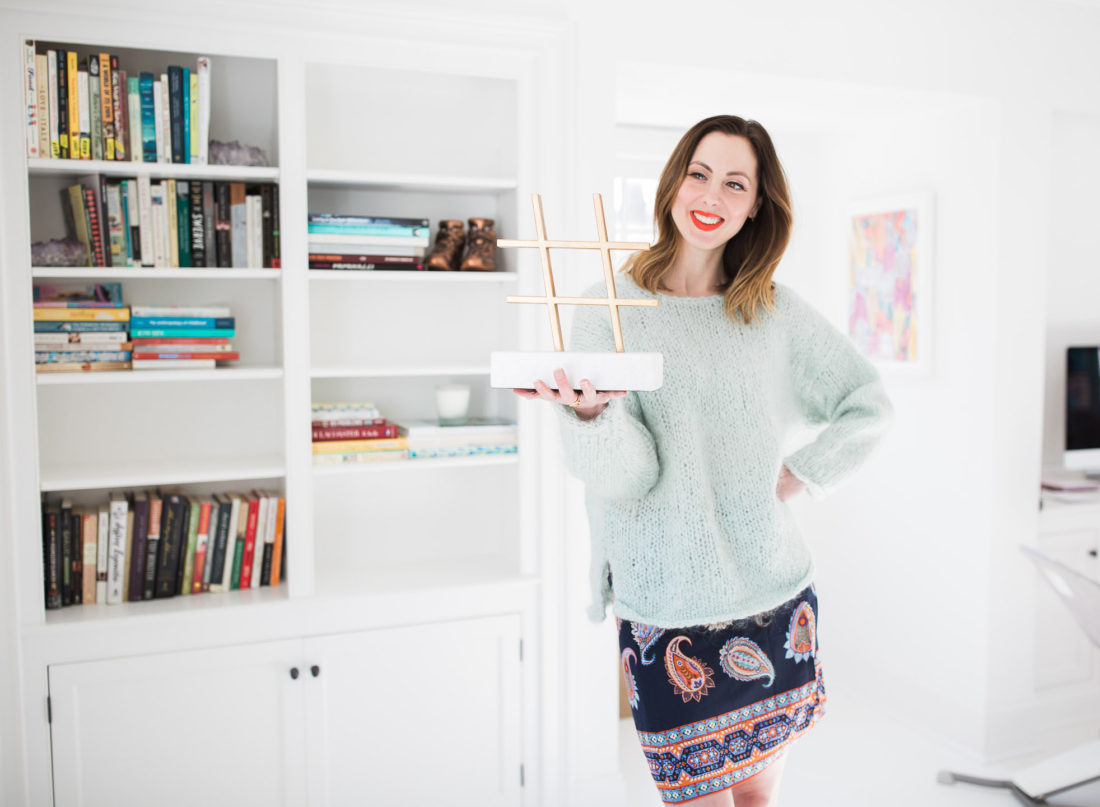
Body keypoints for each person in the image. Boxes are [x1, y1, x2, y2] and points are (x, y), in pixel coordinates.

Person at [514, 115, 893, 806]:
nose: (710, 194)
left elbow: (868, 401)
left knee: (756, 801)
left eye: (735, 182)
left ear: (755, 205)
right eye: (699, 172)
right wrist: (593, 414)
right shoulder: (610, 309)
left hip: (773, 598)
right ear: (673, 182)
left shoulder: (772, 311)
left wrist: (802, 473)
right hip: (666, 609)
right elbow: (630, 477)